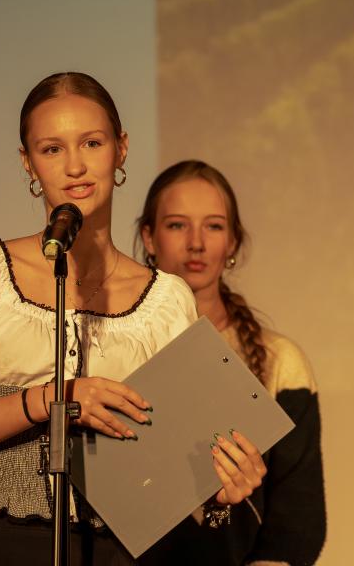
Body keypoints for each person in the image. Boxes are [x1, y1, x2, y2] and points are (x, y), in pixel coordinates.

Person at [0, 73, 266, 565]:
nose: (75, 166)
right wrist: (55, 399)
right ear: (28, 162)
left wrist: (218, 490)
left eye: (92, 143)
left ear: (121, 149)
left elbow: (175, 464)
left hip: (117, 553)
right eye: (52, 149)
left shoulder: (166, 301)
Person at [136, 160, 326, 566]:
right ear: (149, 237)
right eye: (177, 225)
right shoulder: (113, 349)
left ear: (233, 242)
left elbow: (298, 518)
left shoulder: (281, 362)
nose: (196, 243)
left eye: (214, 226)